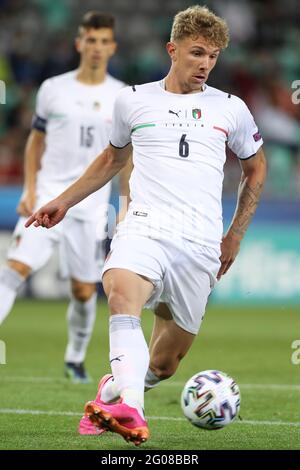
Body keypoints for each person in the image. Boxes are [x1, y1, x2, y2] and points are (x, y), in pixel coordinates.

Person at [26, 5, 267, 445]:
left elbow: (256, 169)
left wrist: (234, 234)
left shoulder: (231, 108)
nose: (206, 65)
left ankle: (114, 389)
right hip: (145, 226)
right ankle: (132, 411)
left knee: (165, 364)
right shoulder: (134, 99)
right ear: (172, 50)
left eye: (213, 57)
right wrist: (62, 200)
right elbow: (111, 160)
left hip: (199, 243)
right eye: (197, 53)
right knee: (121, 294)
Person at [0, 11, 130, 383]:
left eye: (105, 41)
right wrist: (29, 188)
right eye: (91, 40)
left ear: (113, 47)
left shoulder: (121, 95)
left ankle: (74, 359)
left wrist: (124, 207)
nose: (97, 48)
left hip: (90, 207)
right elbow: (35, 140)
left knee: (84, 289)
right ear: (79, 44)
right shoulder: (53, 88)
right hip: (47, 196)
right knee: (15, 270)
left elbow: (125, 157)